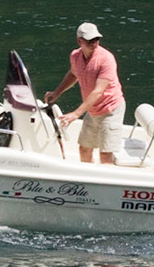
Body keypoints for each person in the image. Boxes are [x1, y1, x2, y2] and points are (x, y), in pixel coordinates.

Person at [48, 21, 125, 164]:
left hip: (111, 109)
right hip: (93, 109)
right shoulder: (75, 56)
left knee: (105, 155)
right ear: (79, 41)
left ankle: (104, 184)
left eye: (96, 39)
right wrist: (57, 92)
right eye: (89, 40)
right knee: (84, 149)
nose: (94, 43)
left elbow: (98, 91)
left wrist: (76, 114)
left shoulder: (106, 59)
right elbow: (73, 74)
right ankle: (86, 181)